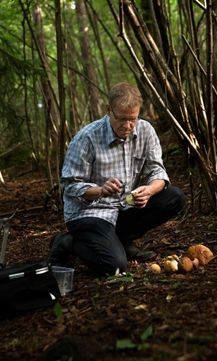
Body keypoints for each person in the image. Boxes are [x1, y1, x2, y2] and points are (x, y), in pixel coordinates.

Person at [48, 82, 185, 275]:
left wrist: (149, 191)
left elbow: (158, 171)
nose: (128, 126)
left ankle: (121, 240)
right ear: (109, 110)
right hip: (90, 213)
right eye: (121, 119)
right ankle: (66, 242)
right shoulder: (87, 138)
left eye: (133, 119)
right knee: (114, 266)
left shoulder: (145, 131)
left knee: (174, 197)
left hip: (123, 208)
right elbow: (70, 186)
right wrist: (100, 190)